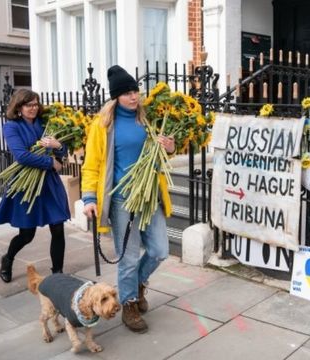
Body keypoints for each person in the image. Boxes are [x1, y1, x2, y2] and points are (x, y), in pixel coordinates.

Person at [81, 65, 175, 334]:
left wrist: (168, 148)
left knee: (159, 250)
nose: (134, 97)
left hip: (149, 197)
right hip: (122, 200)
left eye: (136, 91)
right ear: (116, 97)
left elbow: (158, 154)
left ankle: (138, 285)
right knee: (129, 257)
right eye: (127, 93)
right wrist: (89, 197)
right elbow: (92, 165)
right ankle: (129, 304)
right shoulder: (103, 125)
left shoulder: (144, 120)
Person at [0, 89, 70, 283]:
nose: (33, 108)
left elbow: (62, 149)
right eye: (29, 105)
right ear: (19, 107)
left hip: (49, 184)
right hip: (26, 185)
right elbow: (21, 156)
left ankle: (57, 275)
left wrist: (58, 146)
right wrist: (50, 163)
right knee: (27, 234)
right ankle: (8, 258)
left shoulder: (46, 123)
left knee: (58, 228)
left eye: (36, 104)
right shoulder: (11, 127)